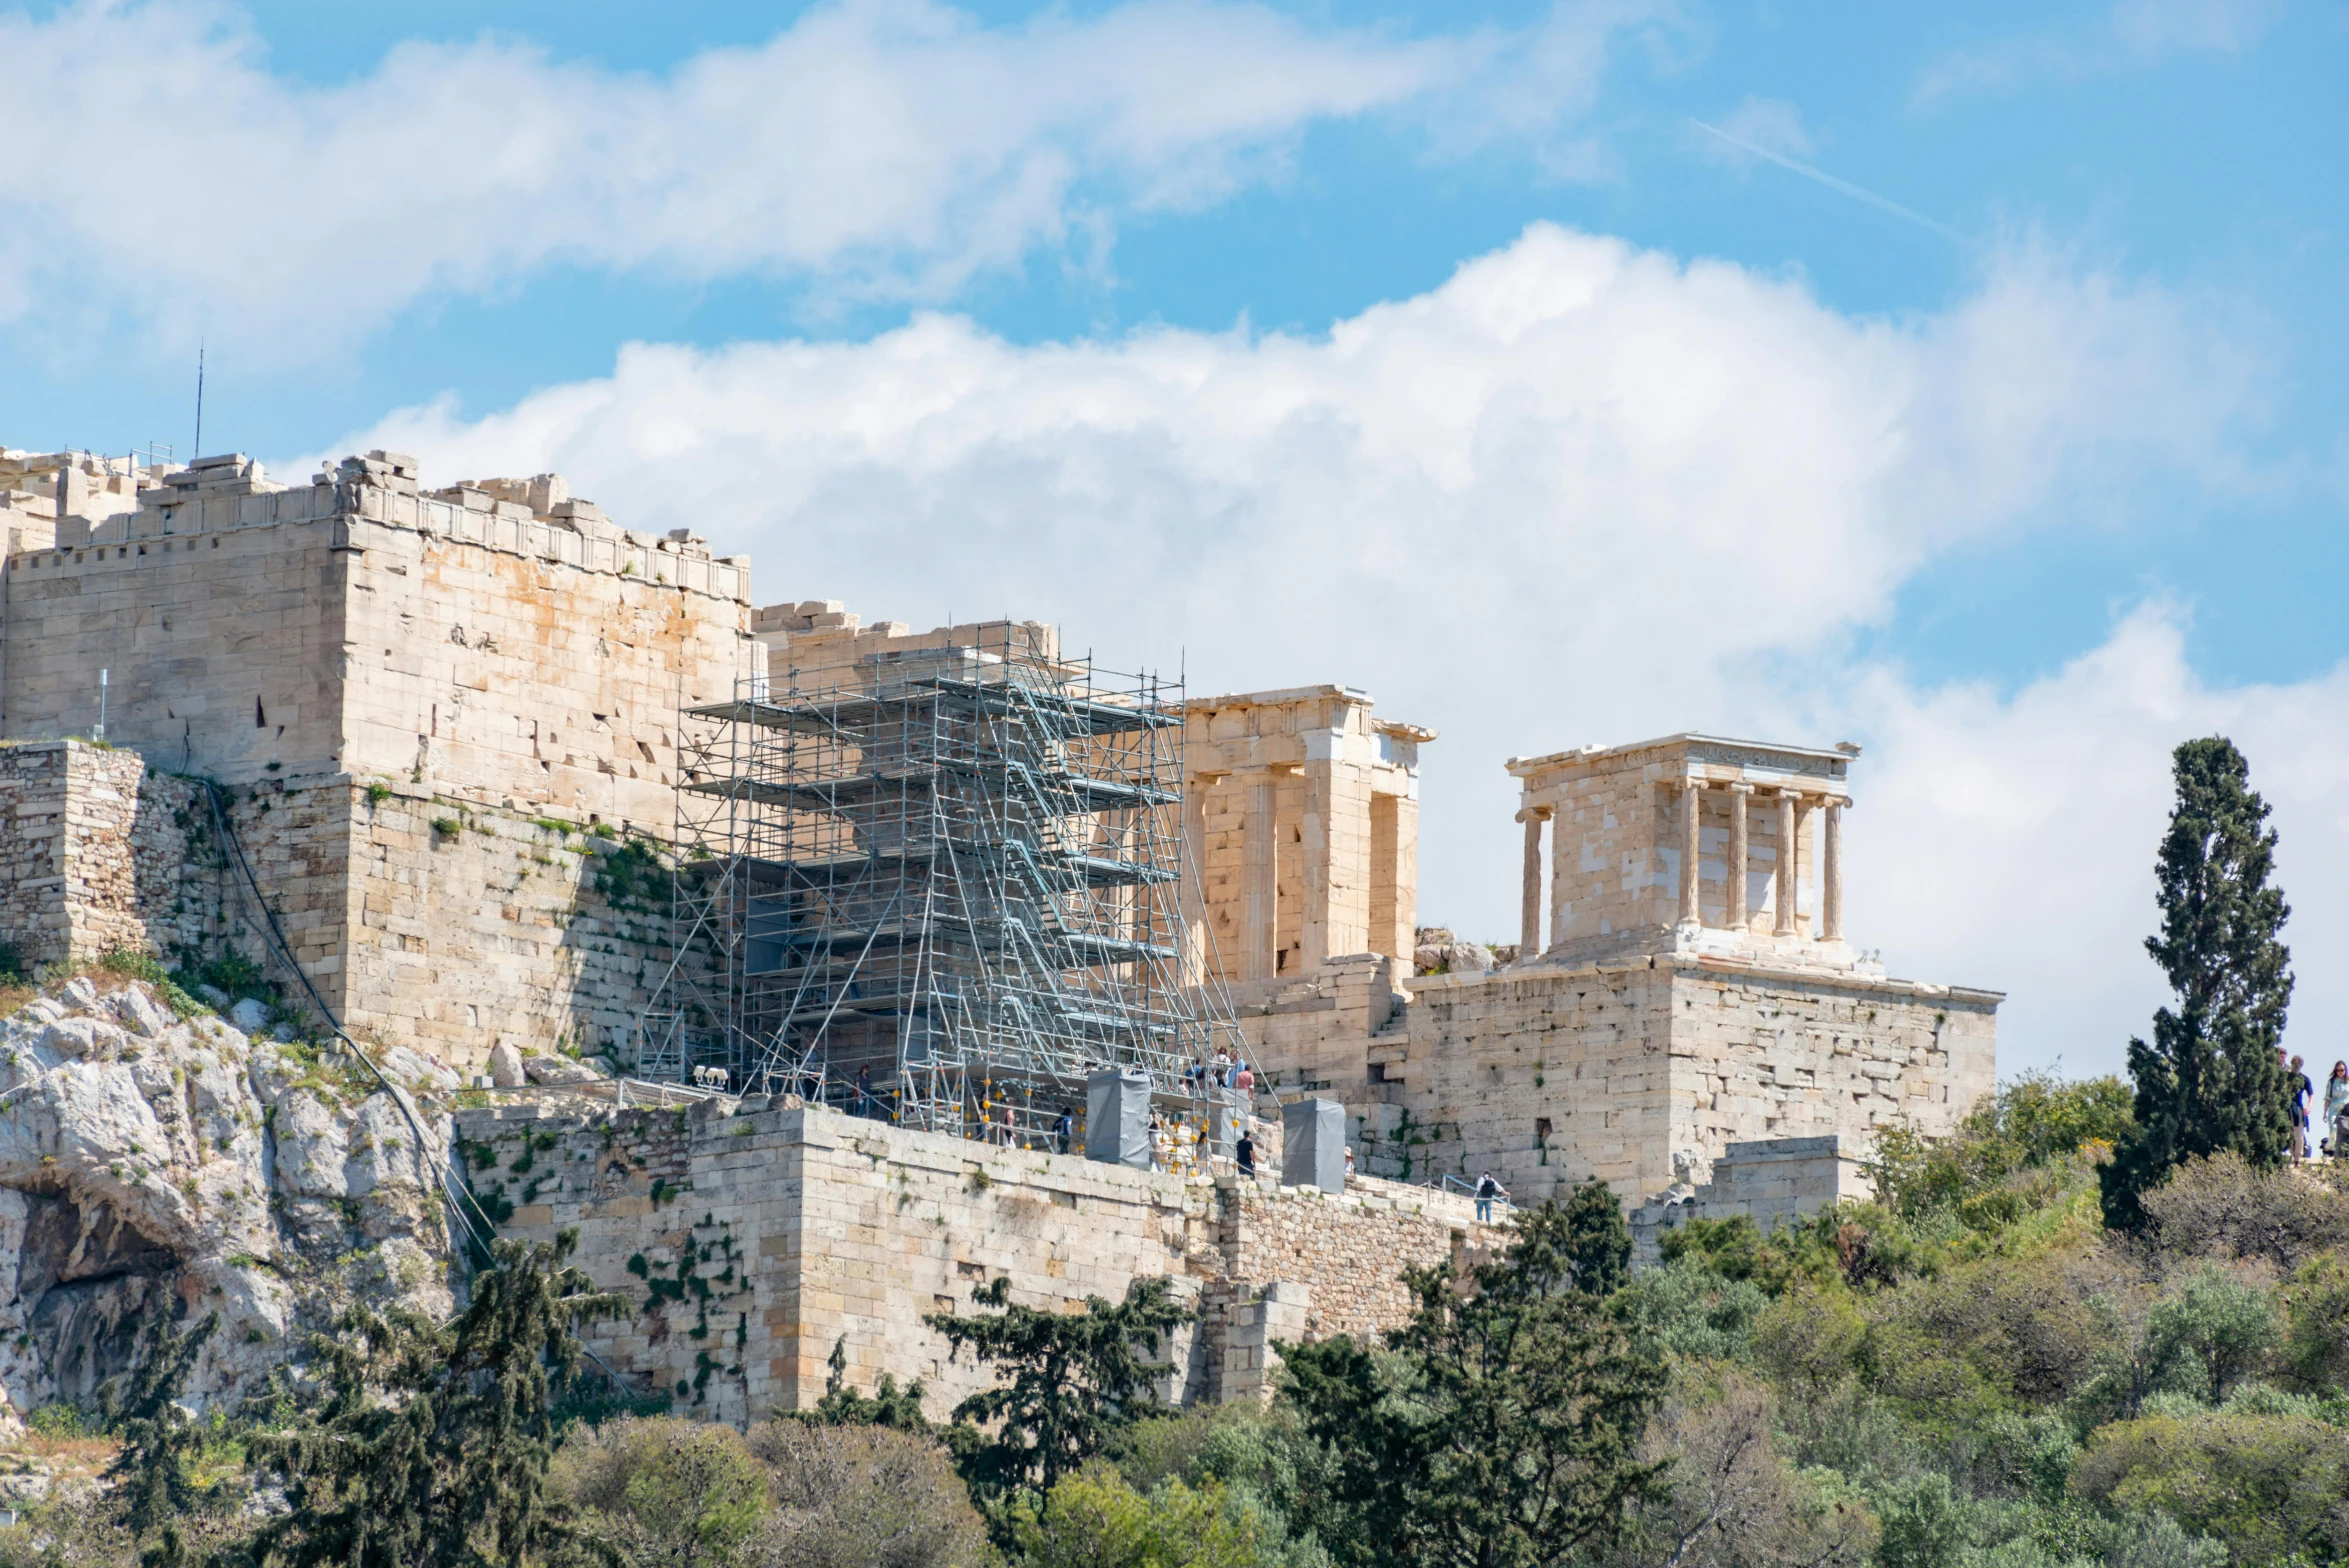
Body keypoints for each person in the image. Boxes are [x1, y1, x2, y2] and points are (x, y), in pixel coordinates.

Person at [2292, 1055, 2315, 1161]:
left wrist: (2308, 1107)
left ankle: (2298, 1158)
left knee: (2299, 1133)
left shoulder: (2304, 1079)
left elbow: (2311, 1095)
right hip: (2285, 1106)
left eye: (2298, 1064)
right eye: (2294, 1064)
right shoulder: (2286, 1077)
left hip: (2298, 1107)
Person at [2325, 1062, 2349, 1158]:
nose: (2340, 1072)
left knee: (2345, 1131)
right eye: (2338, 1070)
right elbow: (2327, 1098)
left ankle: (2341, 1154)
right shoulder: (2331, 1082)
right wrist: (2324, 1112)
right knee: (2334, 1128)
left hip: (2346, 1111)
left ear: (2345, 1070)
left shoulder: (2348, 1081)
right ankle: (2332, 1147)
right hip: (2334, 1110)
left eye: (2342, 1070)